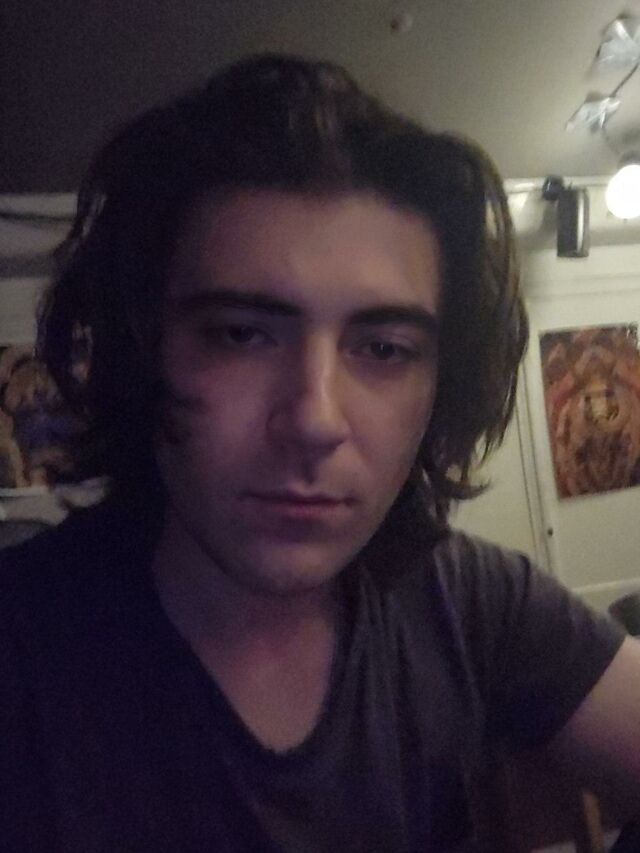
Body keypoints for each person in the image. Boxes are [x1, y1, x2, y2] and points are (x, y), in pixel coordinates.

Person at [1, 54, 639, 852]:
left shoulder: (465, 597)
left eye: (383, 347)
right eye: (240, 335)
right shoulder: (22, 648)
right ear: (142, 351)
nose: (314, 419)